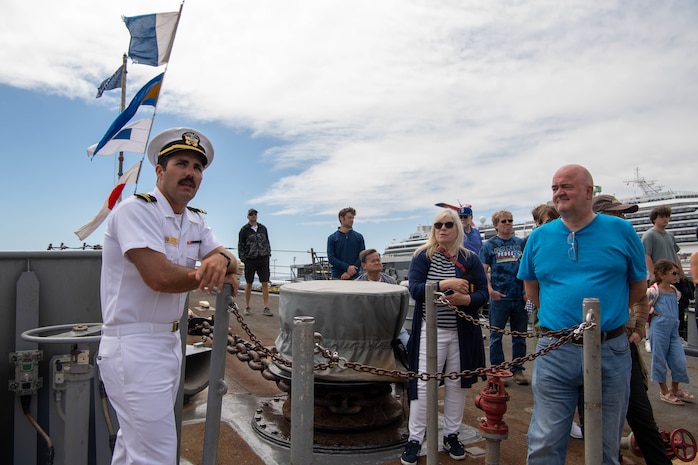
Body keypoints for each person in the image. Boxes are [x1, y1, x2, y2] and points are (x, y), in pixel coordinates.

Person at [97, 128, 239, 465]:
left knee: (133, 450)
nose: (191, 173)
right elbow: (158, 276)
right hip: (134, 347)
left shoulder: (194, 220)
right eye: (181, 163)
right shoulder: (135, 211)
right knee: (156, 455)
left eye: (197, 167)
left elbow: (231, 260)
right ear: (160, 171)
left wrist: (219, 260)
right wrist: (205, 273)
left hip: (167, 344)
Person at [517, 164, 646, 465]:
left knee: (605, 445)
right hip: (555, 349)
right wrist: (559, 317)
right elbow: (531, 288)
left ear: (589, 191)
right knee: (544, 441)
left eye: (567, 186)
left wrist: (612, 313)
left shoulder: (622, 230)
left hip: (610, 350)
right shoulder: (539, 237)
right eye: (554, 187)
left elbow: (639, 286)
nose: (559, 192)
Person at [401, 208, 488, 465]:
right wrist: (445, 284)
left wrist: (468, 299)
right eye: (438, 225)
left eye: (448, 224)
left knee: (455, 386)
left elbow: (483, 292)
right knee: (424, 385)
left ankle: (451, 434)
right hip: (432, 331)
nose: (442, 229)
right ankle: (415, 438)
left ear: (457, 228)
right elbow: (415, 290)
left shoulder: (470, 258)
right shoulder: (422, 257)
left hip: (462, 333)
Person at [593, 194, 672, 464]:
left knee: (641, 414)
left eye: (624, 215)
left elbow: (641, 295)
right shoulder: (583, 251)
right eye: (618, 214)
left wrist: (638, 329)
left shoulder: (626, 249)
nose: (624, 220)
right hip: (586, 346)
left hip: (622, 343)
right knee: (596, 415)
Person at [479, 210, 528, 386]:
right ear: (496, 225)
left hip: (519, 298)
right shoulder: (489, 246)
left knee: (520, 335)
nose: (508, 223)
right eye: (503, 221)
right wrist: (490, 290)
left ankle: (518, 370)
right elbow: (482, 271)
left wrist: (526, 292)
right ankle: (497, 370)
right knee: (496, 336)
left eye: (510, 220)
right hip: (499, 299)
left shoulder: (520, 243)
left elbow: (526, 269)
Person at [647, 259, 694, 405]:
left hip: (673, 329)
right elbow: (642, 303)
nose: (676, 276)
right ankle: (664, 391)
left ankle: (674, 388)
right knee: (659, 359)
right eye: (673, 273)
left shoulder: (675, 291)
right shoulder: (653, 290)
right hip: (659, 328)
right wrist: (652, 311)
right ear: (662, 274)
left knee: (679, 360)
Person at [643, 205, 688, 341]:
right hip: (659, 278)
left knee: (676, 306)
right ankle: (653, 336)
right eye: (662, 217)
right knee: (657, 308)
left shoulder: (670, 236)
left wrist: (681, 272)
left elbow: (675, 254)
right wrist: (654, 274)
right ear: (654, 219)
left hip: (672, 277)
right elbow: (647, 256)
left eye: (667, 217)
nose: (665, 220)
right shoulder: (649, 235)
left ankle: (676, 334)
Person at [356, 248, 409, 348]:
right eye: (373, 261)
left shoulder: (391, 282)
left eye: (378, 260)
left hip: (392, 324)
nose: (377, 263)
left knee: (409, 344)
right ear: (364, 265)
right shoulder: (358, 284)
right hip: (367, 327)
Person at [238, 208, 273, 316]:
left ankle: (266, 307)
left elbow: (267, 241)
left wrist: (268, 253)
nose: (253, 216)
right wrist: (243, 258)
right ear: (248, 216)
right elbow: (241, 245)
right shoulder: (244, 230)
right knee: (249, 283)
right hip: (250, 259)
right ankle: (247, 306)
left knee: (265, 283)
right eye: (251, 214)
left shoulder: (263, 228)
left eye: (255, 214)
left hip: (263, 258)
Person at [327, 207, 366, 279]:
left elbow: (362, 256)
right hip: (338, 276)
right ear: (341, 218)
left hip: (355, 276)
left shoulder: (359, 237)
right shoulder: (332, 238)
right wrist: (347, 267)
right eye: (349, 218)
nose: (352, 220)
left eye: (353, 218)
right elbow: (331, 258)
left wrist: (350, 272)